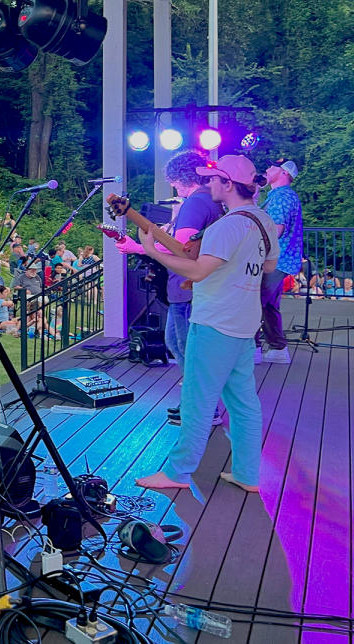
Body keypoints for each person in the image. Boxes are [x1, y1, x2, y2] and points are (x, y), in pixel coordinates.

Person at [136, 154, 279, 495]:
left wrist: (152, 250)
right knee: (243, 401)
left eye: (214, 179)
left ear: (229, 184)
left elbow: (198, 272)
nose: (208, 184)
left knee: (197, 400)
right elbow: (269, 267)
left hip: (215, 323)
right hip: (244, 323)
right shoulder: (262, 220)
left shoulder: (227, 226)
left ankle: (177, 472)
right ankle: (248, 473)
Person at [115, 150, 223, 425]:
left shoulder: (195, 203)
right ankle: (194, 404)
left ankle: (202, 411)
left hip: (189, 288)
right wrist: (141, 246)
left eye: (173, 181)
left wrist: (141, 247)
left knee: (189, 348)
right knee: (176, 342)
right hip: (190, 288)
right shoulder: (207, 201)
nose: (173, 187)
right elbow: (181, 242)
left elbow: (183, 247)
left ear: (181, 178)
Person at [257, 158, 304, 365]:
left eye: (272, 167)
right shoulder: (283, 196)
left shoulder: (281, 197)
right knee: (267, 306)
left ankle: (253, 349)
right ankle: (277, 348)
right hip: (282, 260)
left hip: (274, 260)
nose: (267, 169)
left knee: (253, 303)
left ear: (284, 173)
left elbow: (275, 230)